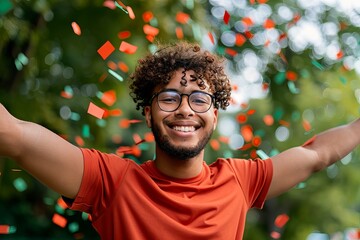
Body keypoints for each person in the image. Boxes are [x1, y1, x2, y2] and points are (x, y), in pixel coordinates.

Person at [0, 41, 359, 239]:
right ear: (148, 112)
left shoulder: (240, 180)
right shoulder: (111, 181)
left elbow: (318, 154)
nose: (185, 110)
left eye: (199, 99)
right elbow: (13, 135)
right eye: (169, 98)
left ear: (214, 116)